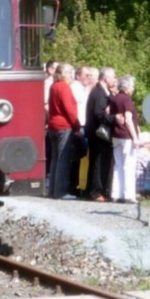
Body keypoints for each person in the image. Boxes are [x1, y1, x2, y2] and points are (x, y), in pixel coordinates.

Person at [45, 63, 81, 198]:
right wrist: (76, 126)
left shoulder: (53, 86)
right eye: (71, 73)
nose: (72, 76)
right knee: (63, 159)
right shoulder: (64, 87)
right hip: (63, 126)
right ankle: (60, 192)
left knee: (55, 159)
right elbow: (69, 109)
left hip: (53, 125)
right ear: (65, 74)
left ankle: (52, 191)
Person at [85, 68, 117, 201]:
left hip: (98, 133)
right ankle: (96, 191)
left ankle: (99, 189)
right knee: (98, 162)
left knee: (100, 162)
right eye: (113, 77)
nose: (115, 80)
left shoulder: (103, 92)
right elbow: (99, 114)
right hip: (98, 134)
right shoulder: (99, 93)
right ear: (106, 78)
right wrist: (114, 118)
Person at [109, 76, 140, 202]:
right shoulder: (127, 99)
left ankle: (116, 193)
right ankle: (129, 195)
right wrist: (135, 138)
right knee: (129, 165)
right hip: (126, 136)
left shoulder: (115, 98)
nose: (133, 88)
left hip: (116, 135)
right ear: (127, 87)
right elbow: (128, 119)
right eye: (132, 86)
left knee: (118, 165)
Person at [70, 67, 93, 194]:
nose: (88, 78)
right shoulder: (75, 88)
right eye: (86, 75)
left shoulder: (84, 88)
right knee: (77, 157)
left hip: (84, 124)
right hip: (79, 125)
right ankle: (74, 186)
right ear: (78, 76)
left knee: (83, 156)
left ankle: (80, 185)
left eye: (90, 75)